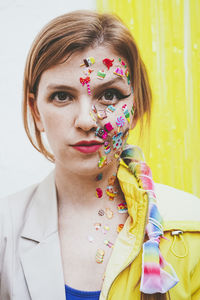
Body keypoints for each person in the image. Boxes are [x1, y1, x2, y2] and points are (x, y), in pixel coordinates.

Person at [0, 10, 200, 300]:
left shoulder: (191, 229)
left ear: (136, 107)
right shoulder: (4, 230)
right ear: (36, 111)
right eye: (62, 96)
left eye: (109, 95)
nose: (87, 120)